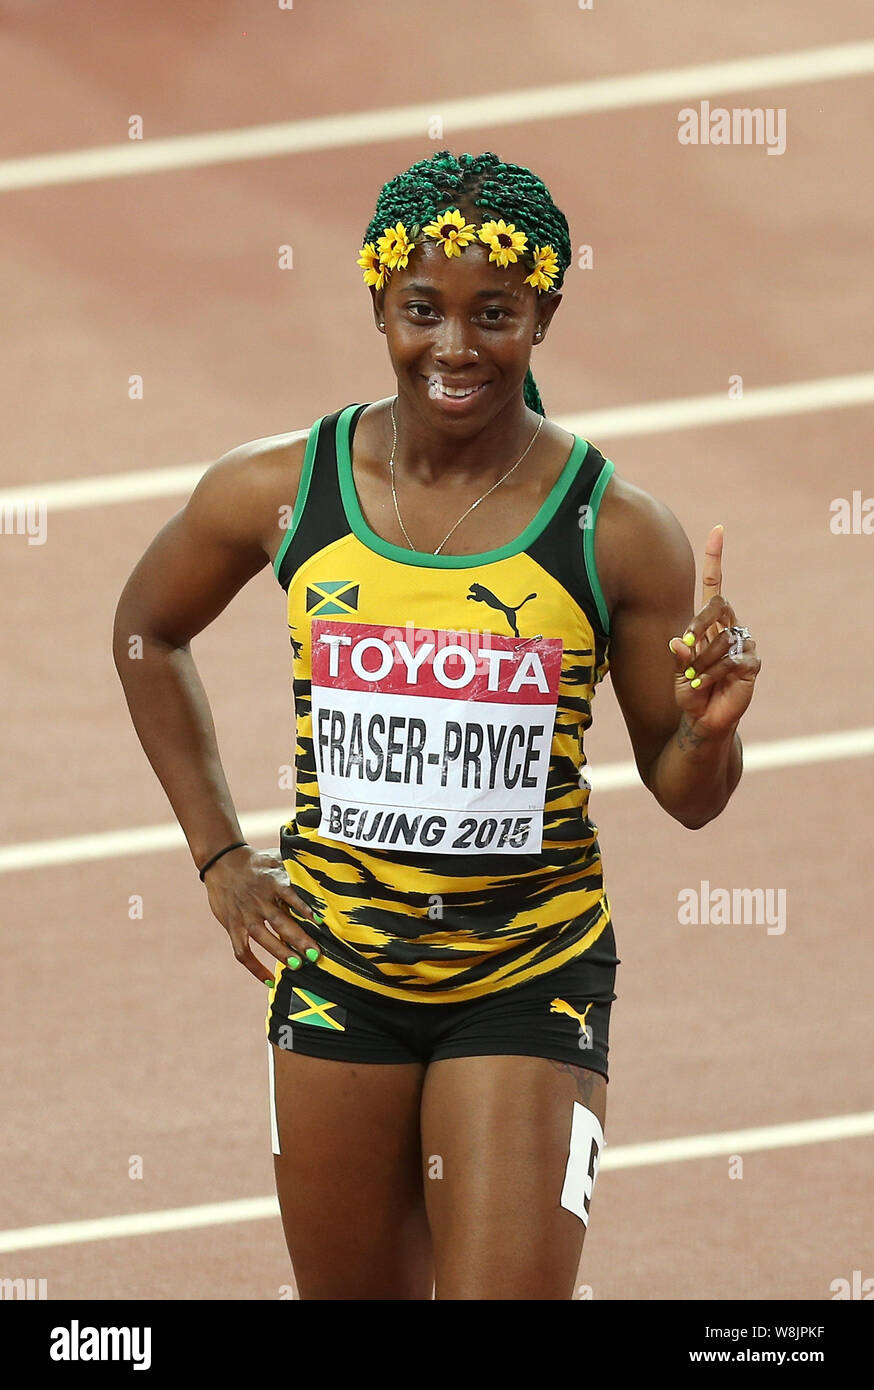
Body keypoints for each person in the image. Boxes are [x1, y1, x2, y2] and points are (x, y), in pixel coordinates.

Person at [113, 150, 761, 1300]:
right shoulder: (283, 491)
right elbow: (145, 633)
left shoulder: (614, 531)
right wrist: (219, 859)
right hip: (335, 974)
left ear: (544, 314)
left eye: (493, 315)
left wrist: (707, 729)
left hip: (527, 977)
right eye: (423, 311)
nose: (454, 348)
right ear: (378, 306)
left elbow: (689, 795)